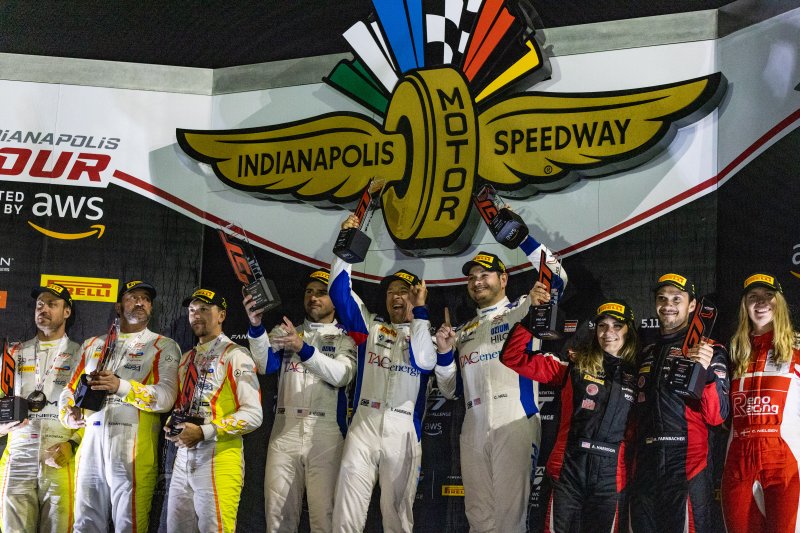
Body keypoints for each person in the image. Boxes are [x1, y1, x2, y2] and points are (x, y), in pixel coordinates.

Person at [434, 232, 568, 532]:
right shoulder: (463, 331)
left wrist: (522, 237)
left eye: (485, 275)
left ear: (504, 279)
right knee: (478, 516)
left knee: (510, 517)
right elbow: (450, 390)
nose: (477, 281)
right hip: (473, 422)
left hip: (514, 417)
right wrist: (444, 354)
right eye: (472, 277)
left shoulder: (522, 308)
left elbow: (557, 277)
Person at [327, 214, 439, 533]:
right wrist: (345, 245)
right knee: (346, 513)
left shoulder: (428, 337)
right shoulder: (370, 326)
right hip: (363, 424)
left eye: (404, 291)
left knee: (397, 517)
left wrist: (420, 314)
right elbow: (340, 293)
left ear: (417, 297)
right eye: (391, 292)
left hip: (403, 429)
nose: (396, 296)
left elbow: (424, 362)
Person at [500, 299, 638, 533]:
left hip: (611, 474)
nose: (608, 333)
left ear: (629, 331)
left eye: (617, 326)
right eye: (602, 326)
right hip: (568, 468)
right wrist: (531, 318)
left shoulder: (640, 374)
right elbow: (513, 357)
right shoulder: (574, 364)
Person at [59, 279, 181, 532]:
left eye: (146, 299)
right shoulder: (92, 344)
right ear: (118, 306)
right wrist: (68, 414)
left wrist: (121, 387)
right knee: (85, 523)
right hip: (91, 444)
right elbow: (68, 390)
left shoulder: (163, 345)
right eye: (133, 297)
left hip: (132, 448)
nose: (140, 302)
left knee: (129, 525)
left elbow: (167, 397)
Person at [245, 268, 357, 532]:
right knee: (277, 517)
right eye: (309, 292)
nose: (314, 297)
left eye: (321, 293)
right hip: (285, 431)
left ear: (335, 301)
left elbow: (341, 376)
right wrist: (256, 326)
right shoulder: (286, 331)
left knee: (325, 517)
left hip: (326, 433)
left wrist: (302, 348)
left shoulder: (347, 339)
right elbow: (264, 365)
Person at [628, 273, 730, 533]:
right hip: (646, 462)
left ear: (692, 305)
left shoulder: (708, 349)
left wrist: (707, 374)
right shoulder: (645, 350)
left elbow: (718, 416)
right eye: (662, 299)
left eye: (676, 299)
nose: (668, 305)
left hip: (687, 462)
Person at [165, 287, 262, 532]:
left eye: (204, 309)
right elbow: (184, 405)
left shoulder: (236, 355)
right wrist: (173, 424)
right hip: (183, 457)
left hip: (219, 458)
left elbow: (254, 415)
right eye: (192, 310)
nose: (197, 315)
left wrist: (203, 432)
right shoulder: (186, 358)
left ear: (221, 315)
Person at [0, 284, 82, 533]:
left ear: (66, 312)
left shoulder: (82, 354)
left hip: (60, 455)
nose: (43, 309)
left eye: (52, 304)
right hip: (19, 453)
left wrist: (73, 444)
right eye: (39, 305)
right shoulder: (13, 353)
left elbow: (93, 412)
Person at [721, 273, 800, 532]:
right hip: (738, 461)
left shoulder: (797, 348)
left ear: (780, 303)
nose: (761, 302)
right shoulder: (734, 352)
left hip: (785, 461)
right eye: (753, 297)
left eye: (768, 296)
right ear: (744, 306)